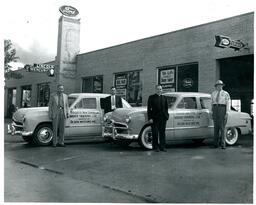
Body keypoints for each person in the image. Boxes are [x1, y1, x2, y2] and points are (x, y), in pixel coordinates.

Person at [147, 85, 169, 152]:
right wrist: (150, 118)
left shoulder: (164, 98)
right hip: (154, 118)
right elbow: (149, 109)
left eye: (160, 89)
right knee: (155, 133)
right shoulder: (151, 97)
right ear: (155, 90)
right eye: (158, 89)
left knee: (162, 133)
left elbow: (166, 108)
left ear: (162, 90)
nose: (159, 90)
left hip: (163, 118)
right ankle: (155, 147)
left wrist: (166, 116)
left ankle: (162, 147)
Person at [211, 80, 230, 149]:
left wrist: (227, 112)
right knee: (216, 127)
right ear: (216, 86)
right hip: (215, 109)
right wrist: (211, 111)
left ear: (222, 86)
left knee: (222, 127)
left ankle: (223, 144)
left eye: (220, 85)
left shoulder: (225, 93)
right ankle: (215, 144)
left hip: (222, 108)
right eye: (218, 85)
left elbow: (228, 103)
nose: (219, 86)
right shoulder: (213, 93)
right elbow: (211, 103)